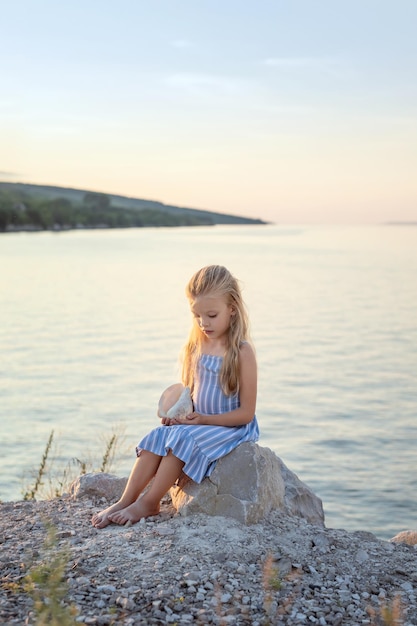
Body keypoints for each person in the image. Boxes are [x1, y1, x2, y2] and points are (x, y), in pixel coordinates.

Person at [91, 264, 259, 528]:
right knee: (158, 436)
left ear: (232, 309)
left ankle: (150, 502)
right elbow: (190, 394)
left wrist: (202, 420)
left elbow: (246, 414)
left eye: (212, 315)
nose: (204, 323)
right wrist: (179, 415)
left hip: (230, 427)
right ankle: (126, 500)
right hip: (197, 423)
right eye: (197, 316)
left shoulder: (241, 352)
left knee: (180, 439)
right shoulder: (196, 347)